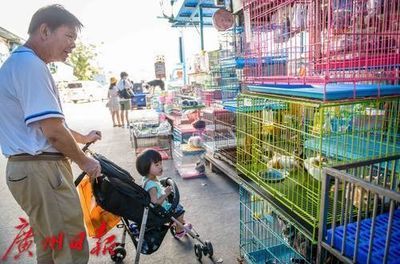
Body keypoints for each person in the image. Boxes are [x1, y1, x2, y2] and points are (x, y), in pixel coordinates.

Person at [0, 4, 102, 264]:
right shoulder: (30, 66)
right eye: (69, 36)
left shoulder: (19, 63)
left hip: (29, 171)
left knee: (50, 244)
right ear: (45, 31)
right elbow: (53, 131)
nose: (73, 46)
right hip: (41, 171)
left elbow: (50, 124)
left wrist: (81, 138)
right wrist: (84, 160)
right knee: (70, 247)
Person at [136, 149, 192, 239]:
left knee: (177, 211)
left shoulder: (148, 178)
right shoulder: (152, 186)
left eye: (160, 163)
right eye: (156, 165)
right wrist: (165, 193)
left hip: (162, 207)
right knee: (179, 211)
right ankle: (179, 231)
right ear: (146, 168)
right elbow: (155, 203)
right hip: (162, 210)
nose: (160, 167)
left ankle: (179, 223)